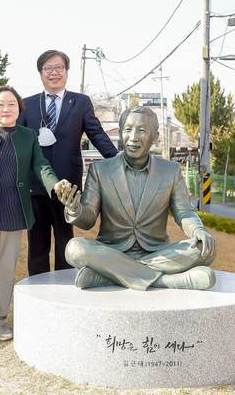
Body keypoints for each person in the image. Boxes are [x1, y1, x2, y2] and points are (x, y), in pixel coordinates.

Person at [56, 106, 217, 291]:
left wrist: (199, 231)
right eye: (128, 129)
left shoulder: (170, 171)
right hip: (112, 251)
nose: (133, 137)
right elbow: (88, 220)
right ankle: (166, 282)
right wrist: (75, 209)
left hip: (157, 252)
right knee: (74, 249)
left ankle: (108, 276)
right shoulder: (100, 170)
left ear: (155, 137)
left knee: (205, 248)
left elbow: (184, 212)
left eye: (141, 130)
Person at [0, 85, 68, 348]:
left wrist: (55, 185)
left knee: (6, 271)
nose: (6, 110)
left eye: (11, 105)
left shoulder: (28, 136)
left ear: (19, 109)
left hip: (15, 212)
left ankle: (2, 319)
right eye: (0, 105)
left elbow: (40, 165)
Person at [18, 50, 118, 276]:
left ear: (66, 72)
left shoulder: (80, 102)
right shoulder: (28, 104)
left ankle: (64, 286)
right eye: (48, 69)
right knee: (37, 244)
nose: (54, 73)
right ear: (41, 73)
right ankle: (38, 289)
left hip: (68, 186)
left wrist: (119, 160)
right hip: (36, 184)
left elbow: (97, 134)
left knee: (66, 240)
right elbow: (19, 143)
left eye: (59, 68)